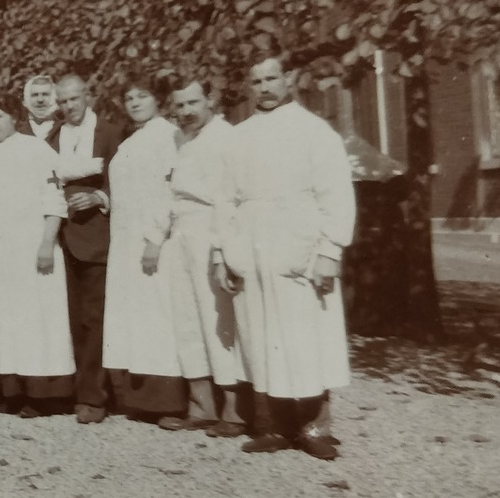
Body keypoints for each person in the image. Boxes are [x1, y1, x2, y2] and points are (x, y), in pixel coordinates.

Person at [213, 46, 356, 460]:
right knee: (260, 337)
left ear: (289, 79)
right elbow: (224, 200)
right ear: (248, 87)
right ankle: (274, 426)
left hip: (299, 245)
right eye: (256, 81)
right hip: (252, 249)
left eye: (272, 78)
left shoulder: (315, 132)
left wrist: (330, 251)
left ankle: (315, 427)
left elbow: (336, 196)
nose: (264, 87)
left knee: (304, 336)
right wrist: (223, 253)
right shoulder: (238, 137)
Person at [0, 88, 74, 416]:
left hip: (33, 248)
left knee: (37, 319)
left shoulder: (36, 149)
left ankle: (44, 395)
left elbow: (53, 200)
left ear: (14, 118)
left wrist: (47, 243)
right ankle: (13, 392)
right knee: (5, 320)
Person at [162, 77, 248, 438]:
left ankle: (234, 409)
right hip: (179, 229)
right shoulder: (180, 139)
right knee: (185, 317)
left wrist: (220, 249)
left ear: (210, 100)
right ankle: (201, 405)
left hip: (210, 228)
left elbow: (228, 198)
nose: (185, 112)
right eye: (179, 106)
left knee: (219, 319)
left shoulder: (225, 137)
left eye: (192, 103)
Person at [102, 75, 188, 422]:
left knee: (157, 316)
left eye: (143, 96)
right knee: (134, 316)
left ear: (158, 100)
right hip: (124, 239)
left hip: (154, 240)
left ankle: (169, 402)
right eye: (129, 97)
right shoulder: (130, 140)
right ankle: (139, 399)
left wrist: (155, 238)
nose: (135, 103)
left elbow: (170, 190)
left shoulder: (167, 135)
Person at [50, 75, 125, 424]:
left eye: (74, 100)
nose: (69, 107)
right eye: (63, 102)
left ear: (88, 97)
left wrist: (98, 197)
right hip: (60, 236)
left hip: (96, 235)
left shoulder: (109, 133)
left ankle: (94, 396)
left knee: (94, 318)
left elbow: (122, 179)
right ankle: (73, 389)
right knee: (69, 317)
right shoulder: (53, 136)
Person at [18, 74, 61, 142]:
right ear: (26, 101)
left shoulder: (66, 130)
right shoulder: (16, 133)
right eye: (35, 95)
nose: (40, 100)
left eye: (45, 94)